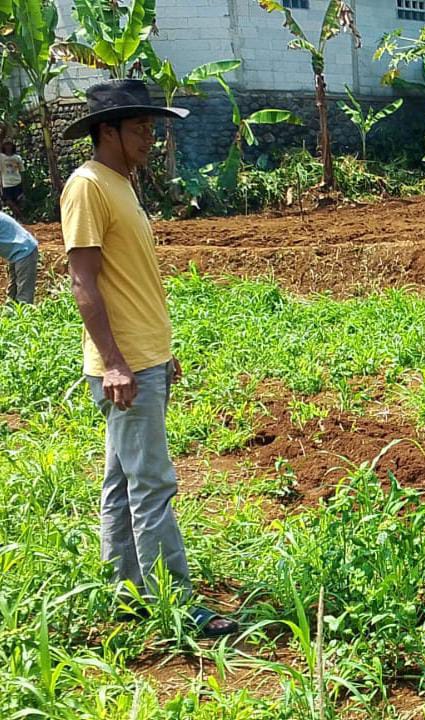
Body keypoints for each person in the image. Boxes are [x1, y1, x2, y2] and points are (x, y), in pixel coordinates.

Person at [60, 79, 236, 636]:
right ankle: (176, 605)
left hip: (144, 357)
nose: (149, 139)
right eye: (139, 129)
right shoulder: (88, 186)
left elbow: (130, 279)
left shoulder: (120, 184)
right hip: (126, 367)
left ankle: (129, 593)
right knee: (153, 485)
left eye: (152, 129)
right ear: (106, 131)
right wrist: (116, 362)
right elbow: (82, 281)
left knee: (123, 481)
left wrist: (162, 350)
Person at [1, 210, 38, 304]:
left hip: (25, 250)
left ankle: (25, 318)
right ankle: (9, 317)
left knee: (24, 297)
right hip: (15, 254)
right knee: (12, 295)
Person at [0, 141, 25, 217]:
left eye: (9, 145)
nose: (8, 147)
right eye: (6, 145)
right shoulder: (1, 157)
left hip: (17, 181)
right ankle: (20, 216)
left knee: (17, 201)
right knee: (8, 201)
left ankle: (17, 217)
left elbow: (22, 170)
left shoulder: (17, 158)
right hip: (6, 183)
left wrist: (23, 183)